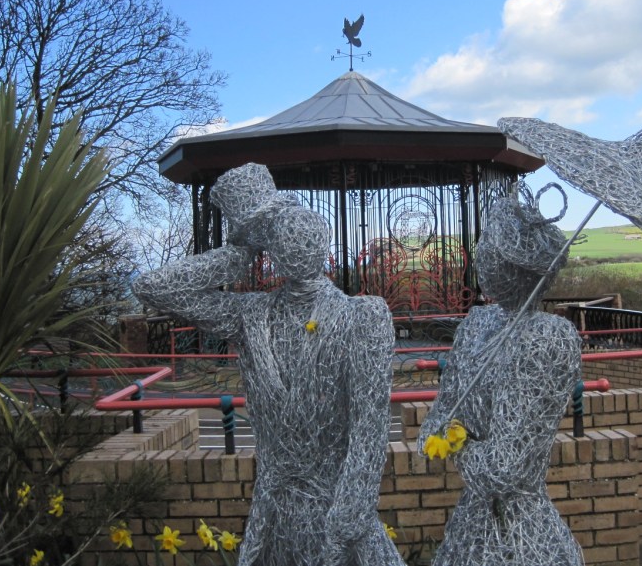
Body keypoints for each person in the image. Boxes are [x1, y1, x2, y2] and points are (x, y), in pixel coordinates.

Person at [133, 163, 403, 566]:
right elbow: (152, 287)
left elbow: (370, 427)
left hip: (337, 520)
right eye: (282, 235)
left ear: (323, 239)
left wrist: (348, 520)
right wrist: (236, 255)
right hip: (274, 520)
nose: (296, 240)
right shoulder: (250, 316)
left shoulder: (361, 317)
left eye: (303, 231)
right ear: (270, 250)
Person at [418, 187, 584, 566]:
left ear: (521, 269)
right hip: (470, 528)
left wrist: (455, 442)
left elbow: (503, 469)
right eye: (486, 248)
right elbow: (443, 411)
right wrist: (441, 432)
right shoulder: (478, 324)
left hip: (521, 531)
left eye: (494, 252)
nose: (485, 259)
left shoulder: (546, 337)